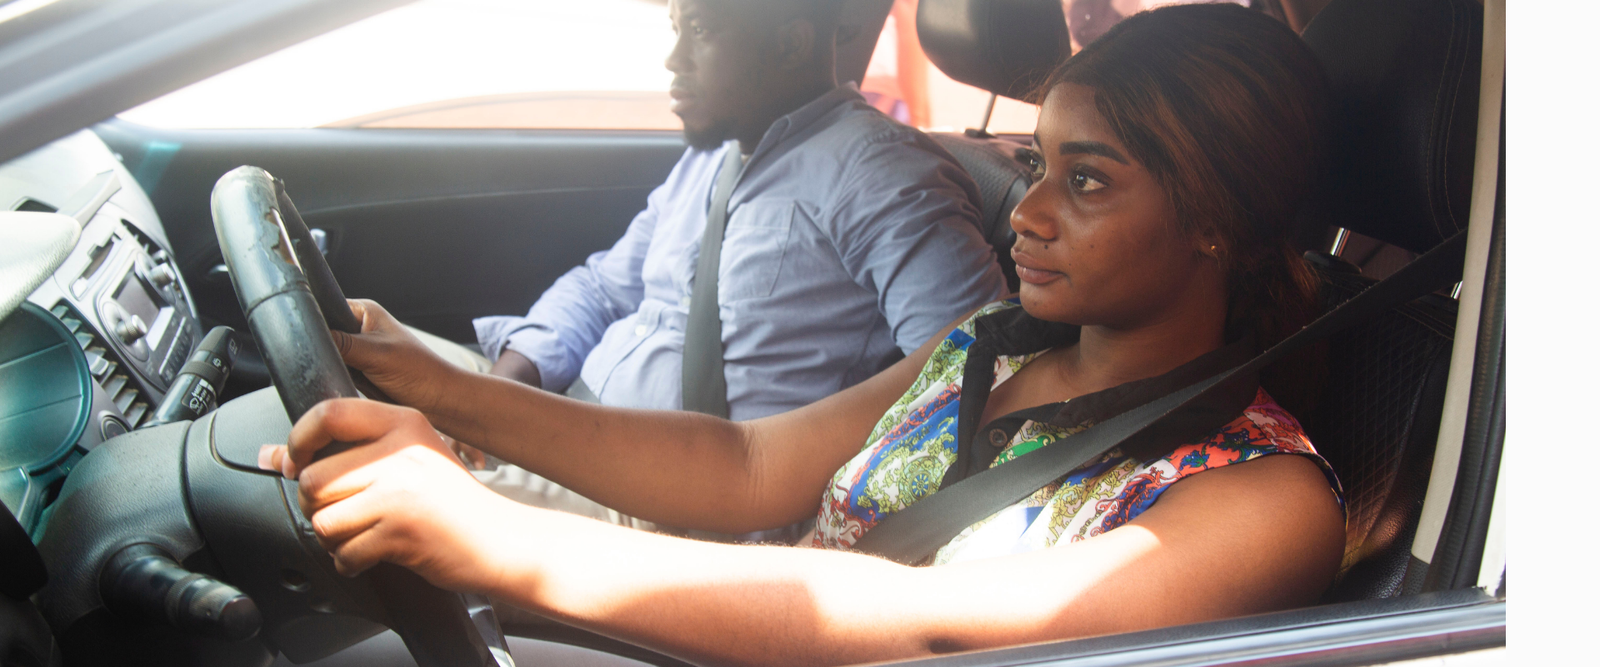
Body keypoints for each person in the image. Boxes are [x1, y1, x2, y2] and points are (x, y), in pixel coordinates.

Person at [265, 5, 1346, 665]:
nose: (1025, 212)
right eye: (1034, 165)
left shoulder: (1264, 499)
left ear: (1214, 220)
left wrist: (501, 536)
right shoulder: (990, 344)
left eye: (1088, 181)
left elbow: (934, 626)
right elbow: (747, 465)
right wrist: (439, 387)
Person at [462, 0, 1008, 530]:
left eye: (700, 30)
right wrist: (504, 390)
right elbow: (604, 288)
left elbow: (970, 377)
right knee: (407, 380)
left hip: (657, 497)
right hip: (564, 414)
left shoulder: (881, 173)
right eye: (675, 28)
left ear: (791, 44)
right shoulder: (710, 158)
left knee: (406, 473)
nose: (673, 58)